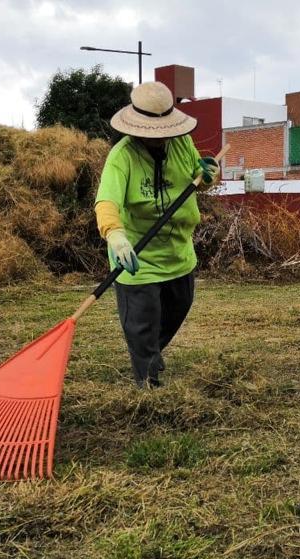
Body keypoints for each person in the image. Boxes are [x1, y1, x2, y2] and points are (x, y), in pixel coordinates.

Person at [94, 81, 220, 387]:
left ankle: (150, 351)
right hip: (137, 255)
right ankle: (147, 379)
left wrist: (206, 177)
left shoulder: (181, 143)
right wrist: (115, 235)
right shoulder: (121, 156)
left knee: (177, 310)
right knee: (141, 323)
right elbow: (106, 200)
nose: (159, 138)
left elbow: (196, 176)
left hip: (178, 253)